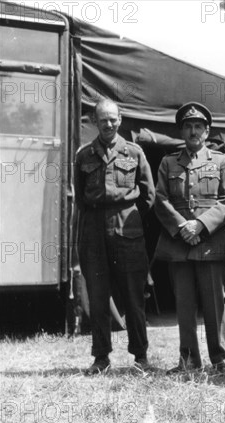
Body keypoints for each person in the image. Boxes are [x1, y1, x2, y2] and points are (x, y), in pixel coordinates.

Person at [154, 102, 225, 375]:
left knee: (215, 305)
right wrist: (182, 228)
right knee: (184, 305)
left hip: (212, 243)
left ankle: (220, 361)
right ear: (182, 131)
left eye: (198, 126)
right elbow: (160, 199)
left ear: (207, 130)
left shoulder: (222, 161)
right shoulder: (168, 163)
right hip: (179, 244)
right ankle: (189, 360)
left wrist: (199, 225)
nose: (193, 131)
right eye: (188, 126)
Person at [74, 99, 155, 375]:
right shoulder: (84, 155)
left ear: (120, 119)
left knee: (134, 297)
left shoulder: (134, 152)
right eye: (103, 120)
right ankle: (101, 357)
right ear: (95, 122)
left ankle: (141, 357)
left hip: (127, 232)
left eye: (113, 119)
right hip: (94, 232)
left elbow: (149, 197)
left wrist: (126, 217)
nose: (108, 124)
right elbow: (81, 198)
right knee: (97, 298)